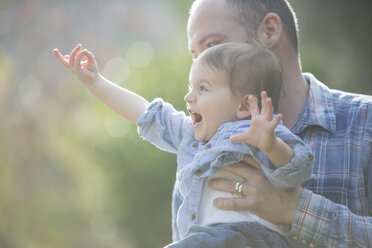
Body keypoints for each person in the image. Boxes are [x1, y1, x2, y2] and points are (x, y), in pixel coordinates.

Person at [52, 42, 313, 247]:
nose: (189, 97)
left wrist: (271, 145)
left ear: (244, 105)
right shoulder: (191, 135)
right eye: (190, 87)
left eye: (203, 88)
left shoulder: (258, 131)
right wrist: (96, 82)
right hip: (207, 239)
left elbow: (299, 167)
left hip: (251, 239)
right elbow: (146, 113)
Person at [175, 0, 372, 247]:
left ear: (269, 30)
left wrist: (295, 209)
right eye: (195, 55)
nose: (201, 64)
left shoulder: (366, 122)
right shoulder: (199, 153)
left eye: (212, 45)